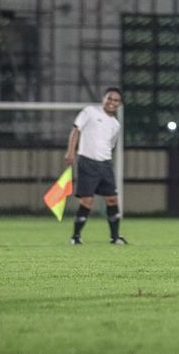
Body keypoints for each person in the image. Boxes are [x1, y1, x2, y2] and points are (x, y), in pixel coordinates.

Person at [64, 87, 126, 245]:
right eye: (110, 99)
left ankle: (115, 237)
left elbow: (110, 145)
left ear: (119, 104)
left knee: (112, 199)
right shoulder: (90, 111)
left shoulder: (115, 125)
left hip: (105, 164)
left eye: (116, 100)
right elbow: (76, 129)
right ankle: (75, 237)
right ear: (103, 99)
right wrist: (71, 151)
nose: (112, 102)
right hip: (87, 161)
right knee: (87, 201)